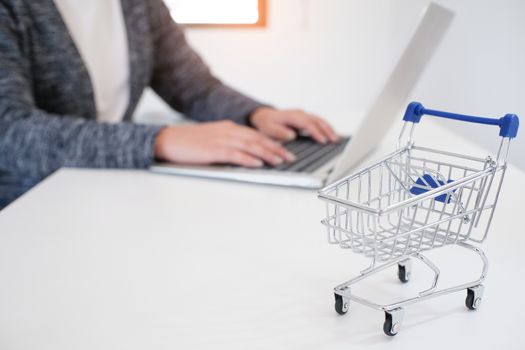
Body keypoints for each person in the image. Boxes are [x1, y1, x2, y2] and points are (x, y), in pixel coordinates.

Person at [0, 0, 338, 208]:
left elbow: (191, 86)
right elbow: (10, 133)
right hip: (30, 207)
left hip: (108, 189)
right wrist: (160, 140)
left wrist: (256, 114)